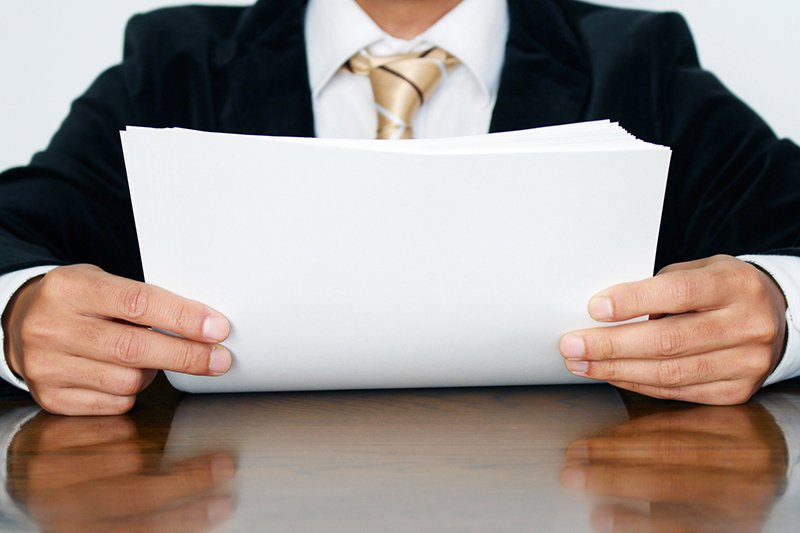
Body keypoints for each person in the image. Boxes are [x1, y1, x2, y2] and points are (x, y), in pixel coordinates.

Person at [0, 0, 798, 416]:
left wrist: (779, 310)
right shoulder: (173, 67)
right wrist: (18, 315)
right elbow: (17, 232)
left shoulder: (638, 64)